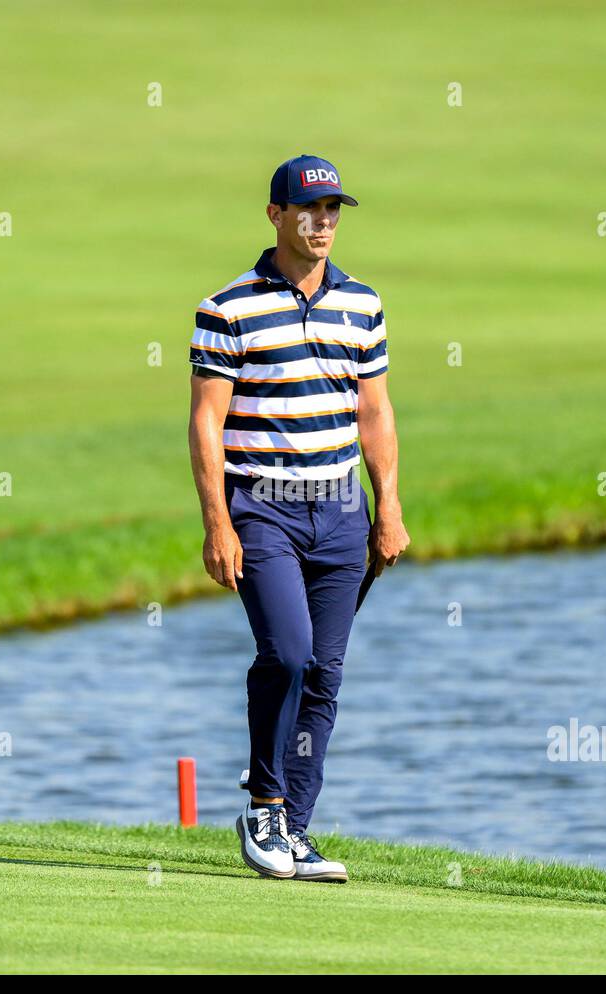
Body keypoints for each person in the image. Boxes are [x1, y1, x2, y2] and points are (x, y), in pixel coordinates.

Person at [188, 154, 410, 882]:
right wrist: (217, 523)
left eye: (333, 210)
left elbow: (373, 412)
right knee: (286, 652)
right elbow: (205, 423)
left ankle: (295, 831)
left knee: (325, 673)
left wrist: (389, 509)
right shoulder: (228, 308)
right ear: (275, 215)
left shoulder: (363, 305)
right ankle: (262, 805)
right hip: (263, 510)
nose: (322, 223)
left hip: (343, 512)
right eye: (309, 210)